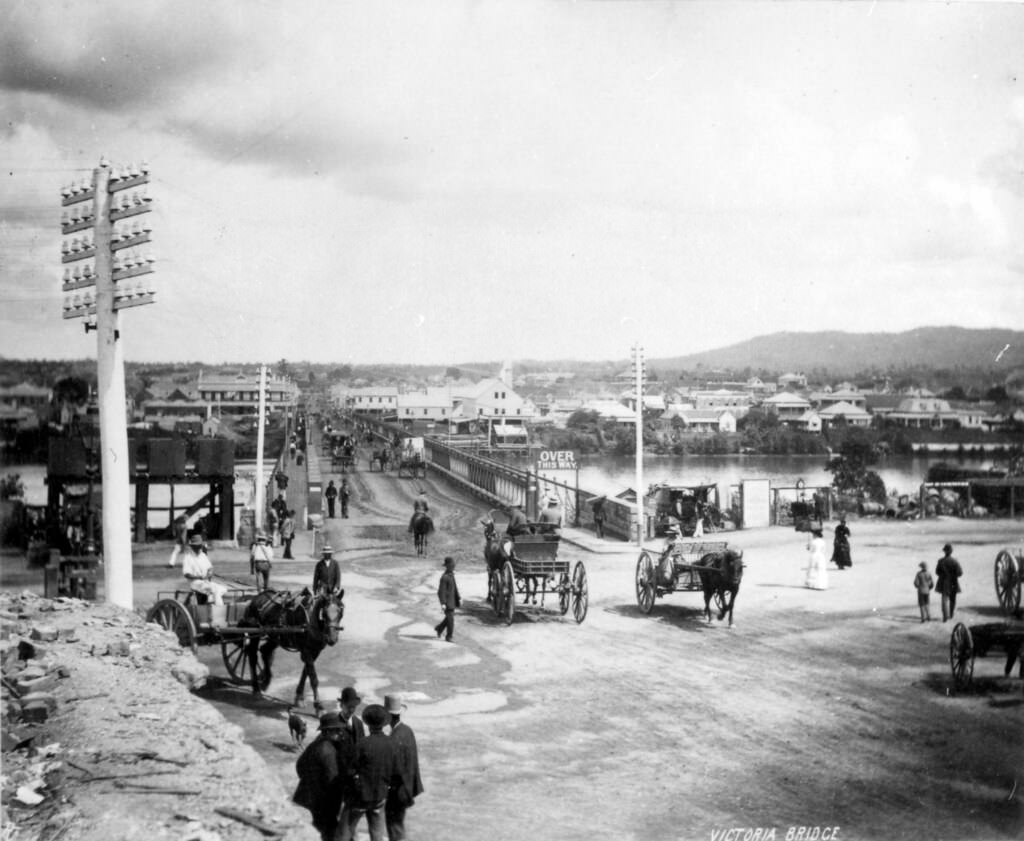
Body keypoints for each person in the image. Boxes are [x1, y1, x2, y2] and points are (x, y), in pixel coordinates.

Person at [337, 704, 395, 841]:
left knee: (343, 832)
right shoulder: (391, 743)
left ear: (368, 724)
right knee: (377, 834)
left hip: (360, 797)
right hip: (380, 796)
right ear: (383, 724)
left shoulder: (362, 744)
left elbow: (350, 771)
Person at [292, 712, 345, 841]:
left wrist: (308, 781)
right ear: (326, 731)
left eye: (340, 729)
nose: (340, 732)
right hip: (322, 802)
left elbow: (300, 765)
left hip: (308, 797)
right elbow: (332, 780)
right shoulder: (328, 751)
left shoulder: (316, 743)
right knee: (327, 832)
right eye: (336, 730)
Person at [384, 694, 423, 841]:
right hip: (407, 788)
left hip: (397, 792)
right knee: (398, 825)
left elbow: (396, 769)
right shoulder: (407, 730)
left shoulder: (394, 738)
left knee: (394, 828)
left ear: (388, 716)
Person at [182, 534, 228, 606]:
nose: (199, 547)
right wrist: (199, 577)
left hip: (205, 582)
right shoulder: (188, 557)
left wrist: (209, 573)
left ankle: (213, 606)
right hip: (195, 583)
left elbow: (210, 568)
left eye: (200, 545)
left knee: (223, 589)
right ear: (193, 547)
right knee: (214, 589)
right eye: (197, 546)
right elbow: (186, 574)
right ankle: (219, 611)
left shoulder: (203, 555)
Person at [434, 556, 461, 642]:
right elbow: (440, 592)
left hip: (452, 601)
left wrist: (459, 598)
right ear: (447, 566)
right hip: (447, 603)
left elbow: (455, 588)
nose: (453, 566)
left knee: (449, 618)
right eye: (452, 565)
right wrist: (443, 603)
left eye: (453, 565)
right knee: (451, 620)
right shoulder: (444, 577)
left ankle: (439, 628)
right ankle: (449, 637)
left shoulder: (451, 575)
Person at [935, 543, 963, 622]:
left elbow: (937, 572)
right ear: (951, 552)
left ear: (944, 552)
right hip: (953, 582)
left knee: (944, 600)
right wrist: (954, 575)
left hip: (944, 583)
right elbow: (960, 573)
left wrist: (943, 575)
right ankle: (951, 614)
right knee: (952, 599)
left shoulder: (940, 561)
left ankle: (945, 616)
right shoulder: (955, 561)